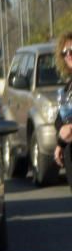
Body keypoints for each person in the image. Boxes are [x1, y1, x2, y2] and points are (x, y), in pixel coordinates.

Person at [53, 32, 72, 170]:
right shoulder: (67, 87)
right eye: (65, 52)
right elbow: (60, 119)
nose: (69, 55)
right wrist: (60, 144)